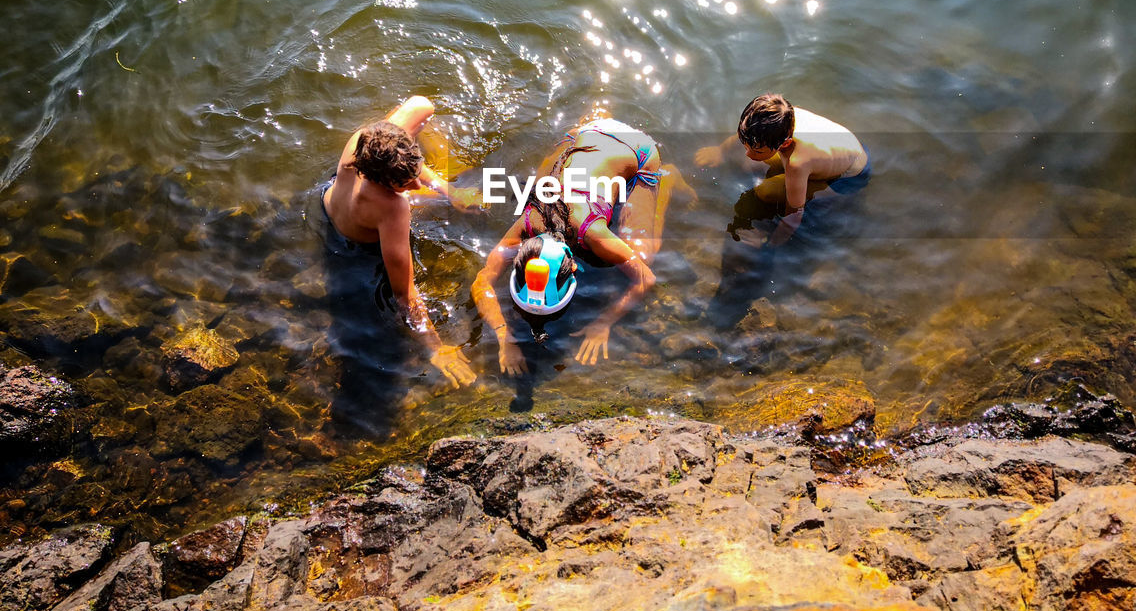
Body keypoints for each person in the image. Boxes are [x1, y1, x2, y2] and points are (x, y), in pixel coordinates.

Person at [471, 109, 673, 374]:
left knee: (642, 255)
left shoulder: (591, 233)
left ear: (574, 266)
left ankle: (669, 179)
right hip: (583, 136)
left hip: (635, 147)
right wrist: (503, 338)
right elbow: (482, 280)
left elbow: (646, 278)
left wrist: (604, 322)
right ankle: (597, 118)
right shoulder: (528, 222)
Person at [322, 95, 478, 388]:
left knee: (424, 110)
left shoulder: (364, 142)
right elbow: (404, 294)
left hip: (331, 199)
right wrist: (436, 348)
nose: (416, 185)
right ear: (383, 183)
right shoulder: (392, 209)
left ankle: (448, 189)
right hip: (356, 245)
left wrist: (445, 189)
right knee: (476, 199)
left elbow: (421, 104)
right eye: (405, 184)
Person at [695, 93, 869, 245]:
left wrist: (770, 242)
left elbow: (794, 214)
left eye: (756, 150)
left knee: (766, 191)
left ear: (784, 143)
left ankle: (840, 201)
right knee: (750, 164)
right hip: (838, 150)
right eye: (746, 145)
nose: (748, 153)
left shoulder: (797, 163)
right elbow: (748, 132)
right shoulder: (781, 118)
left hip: (849, 177)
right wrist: (721, 151)